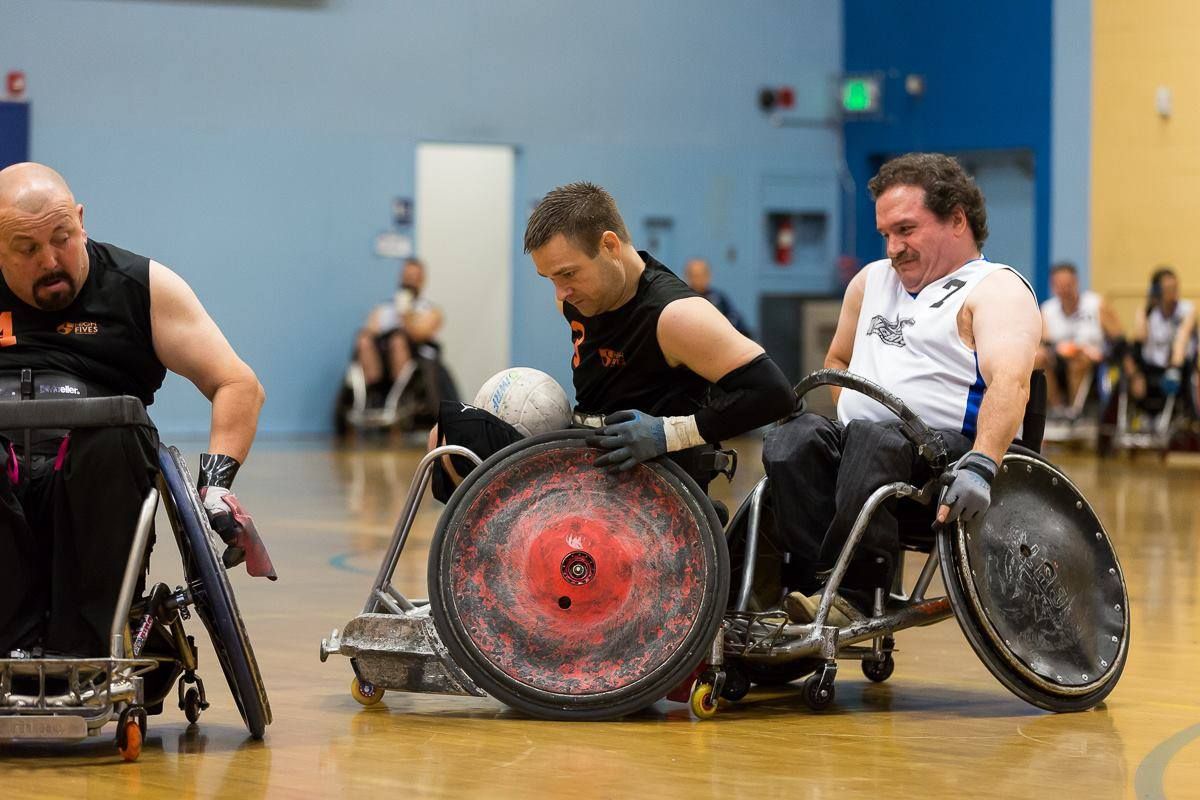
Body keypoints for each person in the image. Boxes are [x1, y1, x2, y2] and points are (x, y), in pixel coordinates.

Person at [0, 162, 272, 659]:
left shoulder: (140, 287)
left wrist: (216, 485)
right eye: (27, 249)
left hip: (94, 474)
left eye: (62, 237)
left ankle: (81, 653)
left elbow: (238, 383)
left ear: (81, 220)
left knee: (117, 432)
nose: (50, 260)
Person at [762, 153, 1041, 624]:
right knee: (793, 437)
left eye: (907, 230)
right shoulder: (869, 281)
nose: (893, 247)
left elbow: (1012, 384)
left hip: (950, 461)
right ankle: (815, 584)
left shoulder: (996, 289)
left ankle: (854, 592)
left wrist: (983, 463)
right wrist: (851, 420)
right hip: (867, 452)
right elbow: (837, 362)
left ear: (957, 219)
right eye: (886, 234)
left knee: (876, 438)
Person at [428, 181, 794, 502]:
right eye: (549, 278)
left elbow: (773, 393)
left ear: (609, 245)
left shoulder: (676, 316)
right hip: (592, 458)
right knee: (449, 439)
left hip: (652, 476)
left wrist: (668, 433)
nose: (561, 291)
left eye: (568, 273)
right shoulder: (575, 296)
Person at [354, 257, 451, 407]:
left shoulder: (430, 311)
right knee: (364, 340)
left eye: (414, 278)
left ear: (422, 281)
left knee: (398, 341)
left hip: (414, 357)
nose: (409, 282)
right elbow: (370, 329)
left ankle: (401, 398)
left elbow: (419, 334)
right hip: (382, 358)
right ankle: (373, 394)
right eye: (406, 277)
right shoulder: (384, 308)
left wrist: (406, 313)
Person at [1039, 262, 1123, 416]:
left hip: (1091, 359)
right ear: (1053, 286)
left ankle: (1074, 410)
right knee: (1038, 358)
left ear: (1076, 282)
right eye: (1059, 285)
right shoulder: (1047, 310)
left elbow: (1119, 340)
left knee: (1078, 361)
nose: (1064, 290)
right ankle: (1055, 409)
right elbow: (1045, 343)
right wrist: (1058, 349)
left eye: (1068, 285)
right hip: (1059, 358)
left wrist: (1102, 354)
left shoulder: (1096, 304)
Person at [1128, 267, 1197, 416]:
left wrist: (1174, 366)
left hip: (1178, 366)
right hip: (1152, 367)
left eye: (1175, 287)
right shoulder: (1148, 312)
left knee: (1180, 350)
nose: (1173, 292)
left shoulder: (1187, 309)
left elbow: (1183, 336)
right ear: (1157, 291)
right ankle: (1139, 417)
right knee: (1129, 364)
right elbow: (1139, 341)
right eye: (1168, 288)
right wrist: (1136, 373)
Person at [683, 258, 753, 338]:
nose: (698, 280)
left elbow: (736, 321)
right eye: (694, 276)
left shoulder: (719, 298)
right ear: (687, 277)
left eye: (702, 275)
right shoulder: (683, 300)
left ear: (708, 276)